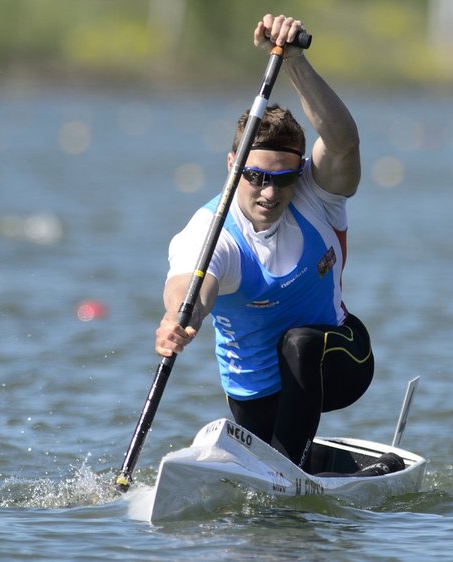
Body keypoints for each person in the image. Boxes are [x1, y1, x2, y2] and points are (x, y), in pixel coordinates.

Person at [155, 14, 374, 472]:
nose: (271, 193)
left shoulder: (316, 198)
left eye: (283, 178)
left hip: (340, 359)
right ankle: (303, 465)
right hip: (255, 392)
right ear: (233, 164)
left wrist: (295, 62)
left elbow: (343, 143)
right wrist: (180, 319)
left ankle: (284, 471)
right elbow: (192, 287)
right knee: (275, 449)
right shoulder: (210, 231)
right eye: (255, 177)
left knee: (299, 344)